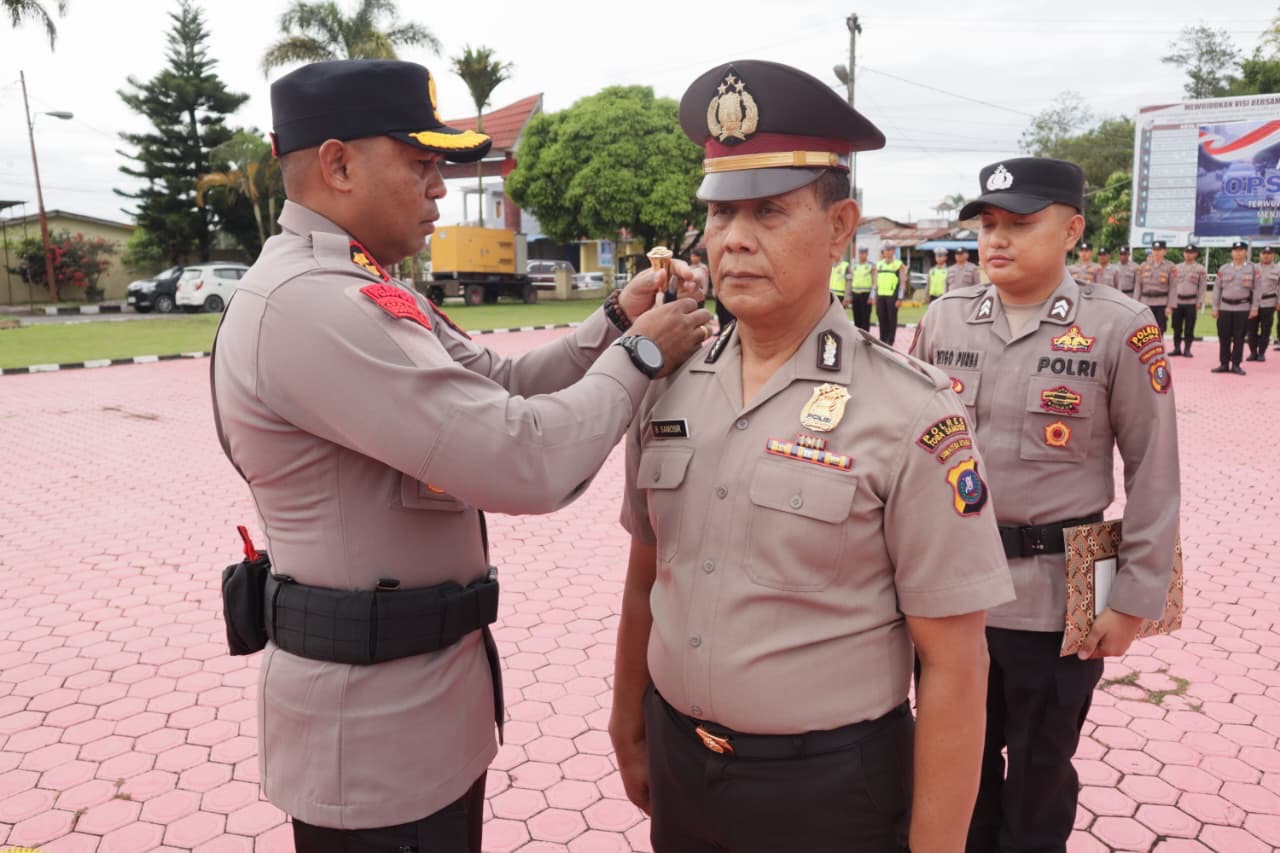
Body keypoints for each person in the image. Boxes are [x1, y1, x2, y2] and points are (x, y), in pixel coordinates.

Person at [209, 60, 713, 853]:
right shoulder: (310, 305)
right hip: (373, 748)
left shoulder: (358, 285)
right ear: (338, 165)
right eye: (420, 163)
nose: (439, 187)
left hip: (415, 715)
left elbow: (499, 385)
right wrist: (641, 358)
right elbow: (526, 457)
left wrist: (618, 319)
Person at [610, 58, 1015, 853]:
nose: (734, 239)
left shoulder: (910, 409)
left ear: (839, 227)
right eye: (720, 212)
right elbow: (645, 573)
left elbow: (956, 662)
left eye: (769, 210)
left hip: (828, 791)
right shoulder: (668, 383)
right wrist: (628, 719)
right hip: (681, 761)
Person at [911, 157, 1181, 853]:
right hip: (953, 594)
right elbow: (905, 456)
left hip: (1058, 601)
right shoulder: (944, 319)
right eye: (988, 224)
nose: (996, 239)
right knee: (956, 772)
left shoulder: (1120, 326)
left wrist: (1132, 599)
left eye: (1020, 224)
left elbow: (1154, 469)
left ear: (1071, 231)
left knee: (1040, 778)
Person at [1212, 239, 1261, 375]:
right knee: (1224, 337)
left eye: (1241, 251)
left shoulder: (1253, 269)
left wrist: (1255, 308)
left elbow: (1257, 290)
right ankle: (1224, 364)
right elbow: (1217, 289)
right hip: (1225, 307)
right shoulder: (1224, 269)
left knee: (1239, 338)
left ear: (1245, 252)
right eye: (1235, 251)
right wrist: (1215, 307)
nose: (1238, 253)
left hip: (1243, 308)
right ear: (1232, 253)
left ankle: (1236, 364)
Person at [1170, 244, 1208, 357]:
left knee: (1189, 327)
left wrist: (1200, 301)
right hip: (1177, 301)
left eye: (1191, 253)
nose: (1188, 255)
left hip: (1191, 302)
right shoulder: (1176, 268)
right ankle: (1177, 348)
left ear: (1195, 254)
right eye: (1186, 252)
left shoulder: (1200, 269)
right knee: (1176, 327)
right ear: (1183, 253)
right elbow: (1172, 286)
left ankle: (1187, 349)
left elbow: (1202, 287)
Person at [1134, 240, 1175, 335]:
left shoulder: (1170, 267)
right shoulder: (1143, 266)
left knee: (1160, 329)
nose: (1156, 252)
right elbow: (1138, 285)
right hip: (1145, 302)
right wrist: (1136, 303)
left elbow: (1173, 287)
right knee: (1145, 329)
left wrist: (1170, 306)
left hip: (1161, 302)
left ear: (1165, 251)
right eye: (1154, 250)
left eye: (1159, 250)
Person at [1248, 245, 1277, 362]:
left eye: (1269, 253)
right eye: (1264, 253)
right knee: (1251, 329)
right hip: (1253, 303)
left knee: (1266, 329)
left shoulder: (1278, 268)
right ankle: (1253, 352)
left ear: (1273, 255)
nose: (1266, 255)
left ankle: (1261, 352)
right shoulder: (1252, 268)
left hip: (1269, 302)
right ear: (1260, 255)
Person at [876, 244, 908, 345]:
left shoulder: (899, 264)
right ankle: (882, 339)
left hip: (892, 296)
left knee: (891, 318)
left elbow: (902, 283)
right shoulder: (879, 264)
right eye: (886, 250)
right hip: (880, 295)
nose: (887, 252)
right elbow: (875, 282)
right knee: (881, 317)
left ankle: (890, 340)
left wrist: (900, 298)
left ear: (893, 251)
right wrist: (874, 296)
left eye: (890, 250)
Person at [849, 245, 876, 330]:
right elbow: (850, 281)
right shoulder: (854, 266)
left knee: (865, 319)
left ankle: (865, 336)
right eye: (860, 253)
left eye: (864, 253)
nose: (862, 255)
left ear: (867, 254)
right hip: (855, 294)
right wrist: (849, 295)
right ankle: (857, 336)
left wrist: (872, 296)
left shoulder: (871, 265)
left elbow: (875, 282)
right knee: (856, 318)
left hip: (866, 295)